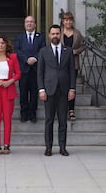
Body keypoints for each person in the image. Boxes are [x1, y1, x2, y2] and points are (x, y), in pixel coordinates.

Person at [37, 24, 76, 157]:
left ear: (61, 35)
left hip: (64, 90)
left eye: (57, 34)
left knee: (62, 121)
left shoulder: (68, 51)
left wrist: (72, 89)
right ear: (49, 35)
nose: (55, 36)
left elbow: (72, 71)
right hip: (49, 90)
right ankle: (48, 147)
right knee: (49, 120)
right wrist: (41, 89)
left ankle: (62, 147)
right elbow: (40, 72)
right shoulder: (43, 51)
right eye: (53, 34)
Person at [14, 15, 46, 123]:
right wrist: (26, 59)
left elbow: (43, 49)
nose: (29, 23)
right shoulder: (19, 37)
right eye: (27, 22)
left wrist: (35, 58)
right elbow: (17, 50)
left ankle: (32, 114)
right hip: (23, 69)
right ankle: (24, 113)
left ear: (35, 24)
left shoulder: (40, 37)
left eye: (31, 22)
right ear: (24, 24)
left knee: (34, 93)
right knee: (23, 93)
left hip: (36, 69)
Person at [61, 11, 85, 121]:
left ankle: (71, 110)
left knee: (72, 87)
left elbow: (82, 46)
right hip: (61, 64)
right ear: (63, 21)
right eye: (66, 20)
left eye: (70, 20)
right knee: (62, 87)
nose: (68, 22)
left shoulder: (77, 33)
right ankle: (62, 108)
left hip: (73, 64)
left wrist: (76, 51)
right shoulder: (59, 33)